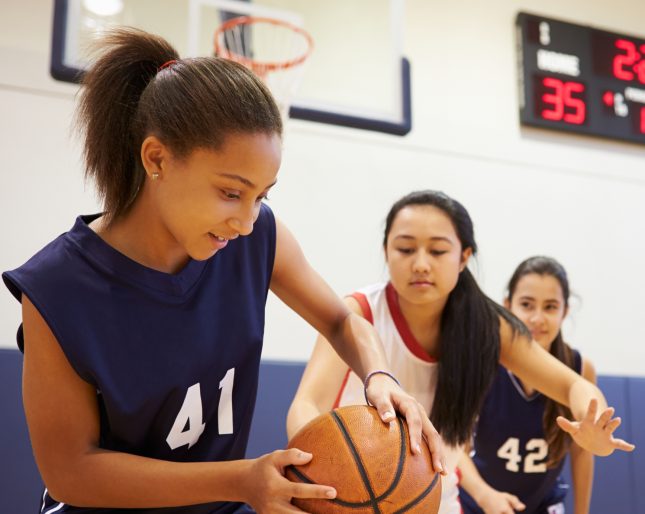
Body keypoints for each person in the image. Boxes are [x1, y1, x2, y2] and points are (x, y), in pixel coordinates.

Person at [1, 29, 443, 514]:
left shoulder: (256, 238)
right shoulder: (57, 287)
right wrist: (240, 479)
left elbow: (342, 321)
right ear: (157, 158)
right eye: (231, 192)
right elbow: (70, 472)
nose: (248, 218)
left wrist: (380, 376)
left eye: (263, 195)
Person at [286, 190, 634, 514]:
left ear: (464, 256)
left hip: (435, 497)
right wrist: (327, 466)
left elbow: (575, 386)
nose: (421, 263)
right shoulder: (359, 312)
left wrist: (595, 426)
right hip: (348, 492)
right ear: (386, 251)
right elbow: (306, 405)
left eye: (437, 251)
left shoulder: (487, 326)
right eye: (405, 249)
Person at [458, 257, 595, 514]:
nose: (537, 318)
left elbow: (582, 451)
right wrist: (485, 495)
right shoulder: (482, 362)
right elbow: (456, 447)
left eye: (550, 307)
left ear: (565, 311)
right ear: (507, 306)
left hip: (543, 503)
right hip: (482, 501)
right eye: (526, 304)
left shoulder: (579, 367)